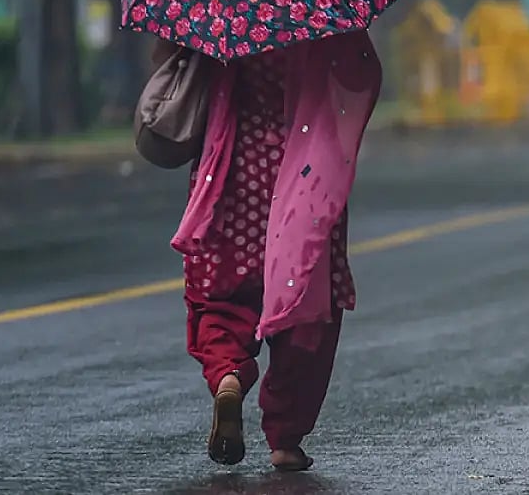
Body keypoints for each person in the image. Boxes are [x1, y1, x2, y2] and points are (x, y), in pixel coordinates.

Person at [161, 29, 381, 470]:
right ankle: (285, 437)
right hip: (304, 178)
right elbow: (361, 75)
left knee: (221, 296)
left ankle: (227, 374)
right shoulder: (323, 12)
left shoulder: (220, 6)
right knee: (305, 305)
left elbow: (170, 66)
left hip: (232, 177)